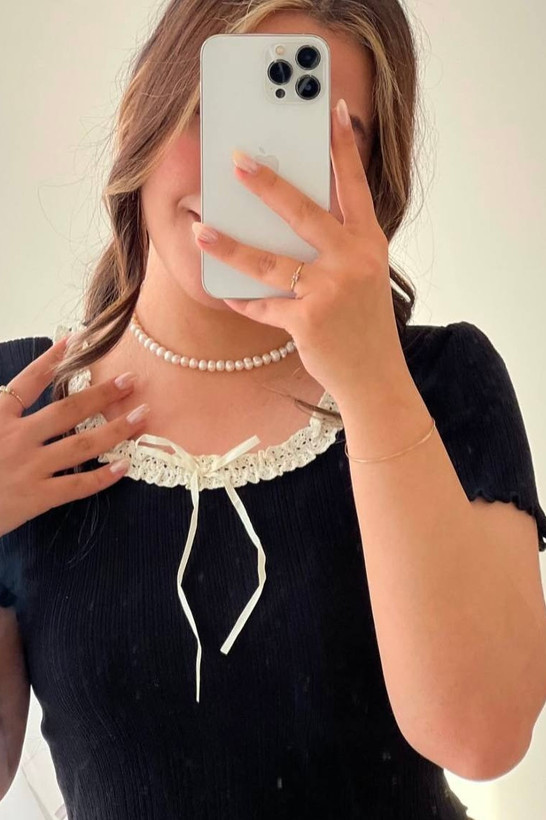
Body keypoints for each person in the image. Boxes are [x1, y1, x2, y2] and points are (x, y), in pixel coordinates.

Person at [0, 2, 545, 818]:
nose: (249, 172)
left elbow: (482, 736)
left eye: (313, 137)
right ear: (146, 107)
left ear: (372, 173)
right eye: (214, 112)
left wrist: (370, 380)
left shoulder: (440, 382)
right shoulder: (20, 411)